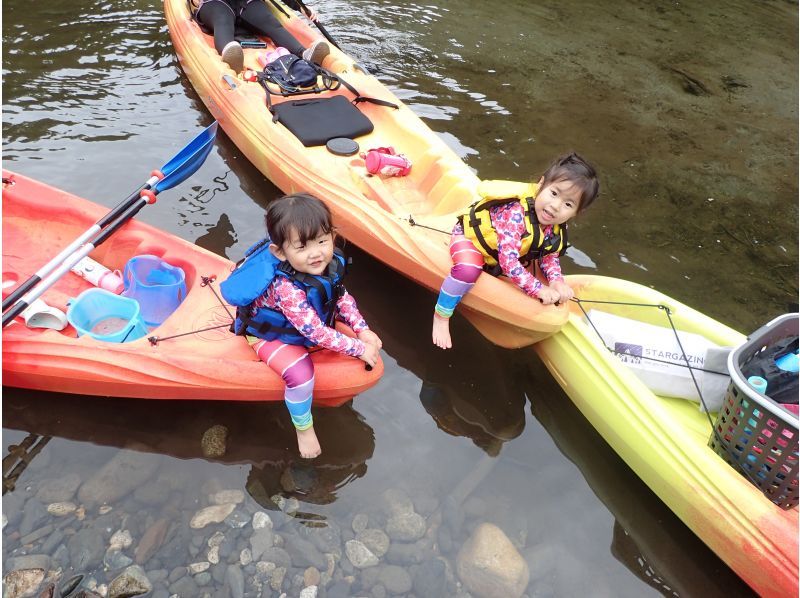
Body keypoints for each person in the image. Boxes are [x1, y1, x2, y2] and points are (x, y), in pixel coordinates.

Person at [221, 193, 381, 458]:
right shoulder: (286, 288)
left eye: (322, 240)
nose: (316, 253)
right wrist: (357, 348)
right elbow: (315, 332)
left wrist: (362, 328)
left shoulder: (329, 263)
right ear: (280, 252)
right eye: (302, 247)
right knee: (300, 376)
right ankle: (304, 430)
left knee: (342, 309)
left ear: (332, 235)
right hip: (270, 336)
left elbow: (340, 296)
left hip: (305, 322)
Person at [432, 152, 600, 349]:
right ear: (541, 185)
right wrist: (538, 289)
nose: (555, 206)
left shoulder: (555, 225)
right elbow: (509, 262)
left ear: (576, 212)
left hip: (497, 253)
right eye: (554, 193)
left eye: (568, 204)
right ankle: (441, 316)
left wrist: (556, 281)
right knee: (468, 269)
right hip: (470, 240)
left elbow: (549, 255)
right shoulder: (516, 214)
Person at [194, 0, 329, 73]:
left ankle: (304, 53)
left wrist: (301, 7)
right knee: (222, 21)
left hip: (246, 3)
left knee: (270, 22)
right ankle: (230, 56)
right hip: (215, 3)